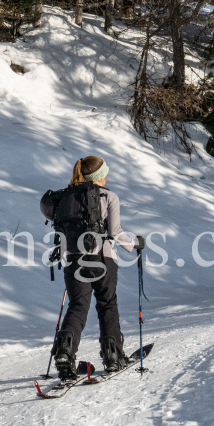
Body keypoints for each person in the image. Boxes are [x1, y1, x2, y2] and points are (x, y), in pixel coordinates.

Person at [52, 155, 145, 379]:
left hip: (74, 260)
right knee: (107, 304)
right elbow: (114, 232)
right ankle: (113, 357)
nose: (106, 176)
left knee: (77, 306)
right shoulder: (108, 196)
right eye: (104, 173)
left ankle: (65, 353)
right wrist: (135, 244)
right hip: (102, 260)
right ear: (99, 177)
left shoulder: (64, 197)